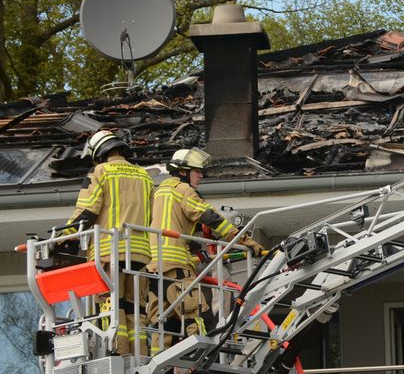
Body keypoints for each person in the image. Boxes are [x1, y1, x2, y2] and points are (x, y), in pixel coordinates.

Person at [147, 147, 265, 353]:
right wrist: (245, 241)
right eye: (197, 171)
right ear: (183, 172)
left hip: (155, 272)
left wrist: (197, 250)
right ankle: (203, 365)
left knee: (166, 325)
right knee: (200, 317)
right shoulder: (183, 191)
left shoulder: (160, 192)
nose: (201, 175)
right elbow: (210, 218)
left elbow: (172, 227)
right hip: (177, 270)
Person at [68, 129, 153, 355]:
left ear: (99, 153)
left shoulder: (100, 172)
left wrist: (62, 237)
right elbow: (150, 215)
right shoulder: (144, 175)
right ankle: (140, 355)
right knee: (136, 310)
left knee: (112, 306)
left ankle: (116, 352)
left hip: (110, 252)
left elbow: (87, 211)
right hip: (140, 255)